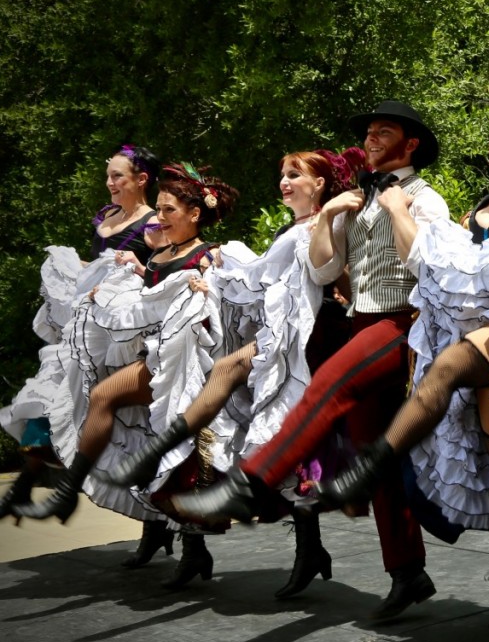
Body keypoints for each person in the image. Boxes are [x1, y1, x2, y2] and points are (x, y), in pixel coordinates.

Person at [171, 101, 450, 619]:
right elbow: (324, 273)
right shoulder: (355, 201)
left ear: (410, 145)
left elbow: (431, 267)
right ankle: (408, 572)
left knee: (327, 384)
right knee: (374, 453)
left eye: (382, 132)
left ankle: (249, 484)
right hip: (363, 320)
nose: (370, 138)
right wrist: (329, 214)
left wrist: (396, 212)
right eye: (368, 131)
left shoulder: (425, 198)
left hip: (406, 323)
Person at [316, 93, 489, 631]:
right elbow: (448, 274)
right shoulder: (476, 210)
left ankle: (376, 460)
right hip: (480, 338)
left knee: (451, 371)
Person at [101, 149, 363, 597]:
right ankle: (264, 545)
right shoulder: (294, 228)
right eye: (282, 174)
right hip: (277, 338)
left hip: (304, 341)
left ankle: (299, 546)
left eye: (294, 175)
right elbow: (269, 280)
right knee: (255, 433)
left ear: (320, 184)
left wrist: (220, 277)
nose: (284, 181)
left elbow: (315, 276)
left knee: (271, 431)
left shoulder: (326, 223)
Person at [14, 163, 237, 589]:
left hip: (181, 364)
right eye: (160, 209)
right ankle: (186, 547)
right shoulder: (160, 254)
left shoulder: (208, 255)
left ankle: (69, 489)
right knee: (138, 439)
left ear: (194, 213)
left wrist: (208, 290)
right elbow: (145, 297)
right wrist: (122, 279)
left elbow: (225, 310)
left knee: (103, 398)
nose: (160, 216)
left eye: (169, 209)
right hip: (147, 355)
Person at [0, 145, 166, 569]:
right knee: (55, 386)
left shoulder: (154, 222)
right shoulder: (107, 218)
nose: (109, 183)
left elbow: (161, 273)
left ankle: (159, 526)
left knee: (136, 431)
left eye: (118, 176)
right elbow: (94, 265)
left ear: (141, 179)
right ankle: (30, 476)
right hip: (90, 322)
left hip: (127, 333)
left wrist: (133, 268)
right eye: (108, 176)